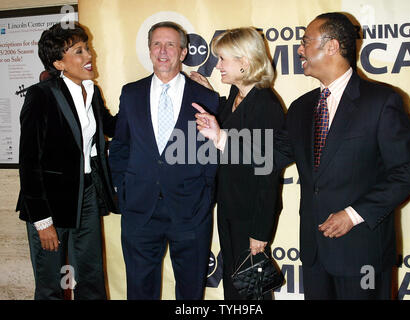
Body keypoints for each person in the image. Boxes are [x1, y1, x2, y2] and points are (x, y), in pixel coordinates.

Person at [195, 13, 410, 300]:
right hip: (315, 254)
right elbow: (271, 155)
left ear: (331, 46)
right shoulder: (302, 108)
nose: (299, 50)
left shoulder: (380, 101)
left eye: (305, 42)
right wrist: (220, 138)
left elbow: (409, 170)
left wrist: (354, 215)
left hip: (362, 252)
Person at [108, 21, 219, 300]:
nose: (163, 51)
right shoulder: (131, 93)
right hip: (139, 210)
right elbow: (121, 144)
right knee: (140, 291)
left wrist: (204, 194)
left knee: (191, 293)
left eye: (171, 44)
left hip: (190, 211)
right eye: (157, 44)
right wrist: (123, 187)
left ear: (183, 53)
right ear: (149, 50)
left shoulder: (206, 98)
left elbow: (213, 153)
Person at [16, 22, 118, 300]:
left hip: (86, 195)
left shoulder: (92, 91)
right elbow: (29, 161)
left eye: (87, 48)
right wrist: (42, 222)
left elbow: (114, 127)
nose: (89, 56)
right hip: (49, 201)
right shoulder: (41, 95)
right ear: (59, 63)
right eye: (79, 51)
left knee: (92, 277)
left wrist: (145, 98)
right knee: (52, 285)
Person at [191, 27, 284, 300]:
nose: (217, 65)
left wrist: (260, 232)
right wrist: (210, 94)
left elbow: (268, 175)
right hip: (230, 208)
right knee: (235, 290)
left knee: (251, 293)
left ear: (244, 62)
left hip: (251, 217)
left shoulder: (266, 105)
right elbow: (234, 125)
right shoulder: (237, 95)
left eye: (223, 59)